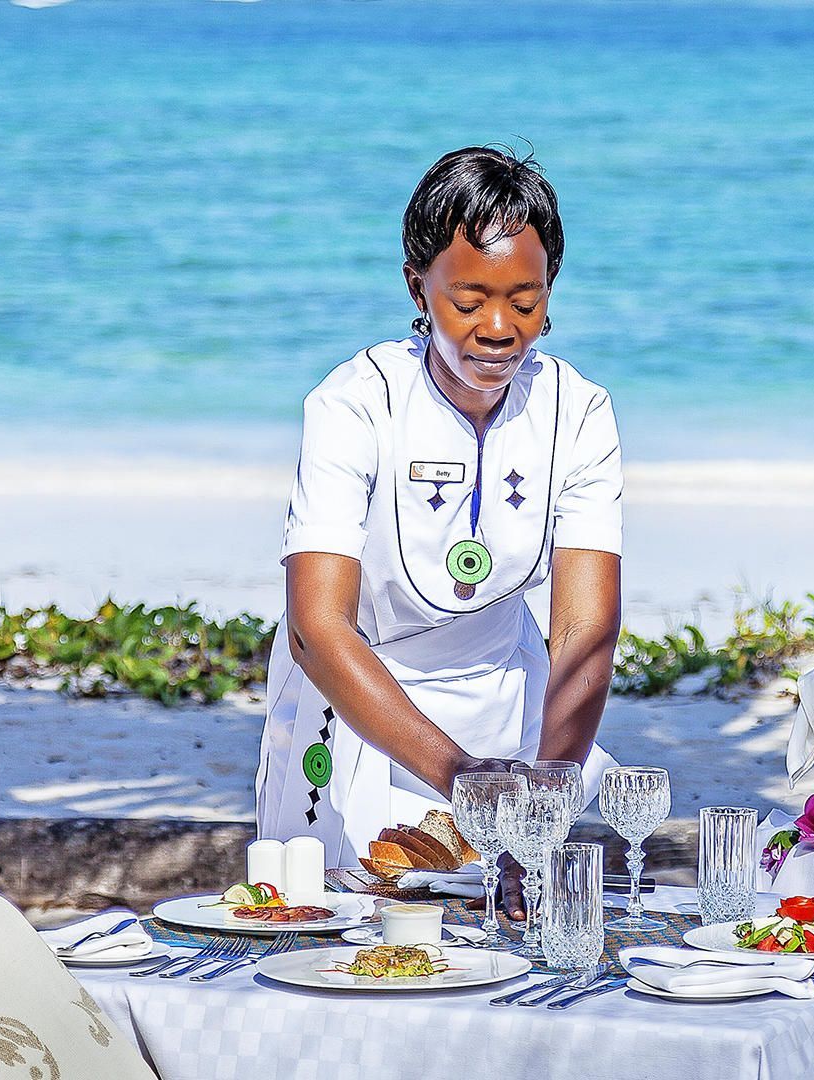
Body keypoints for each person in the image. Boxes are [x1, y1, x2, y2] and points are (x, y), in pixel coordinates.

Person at [256, 147, 622, 917]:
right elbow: (317, 629)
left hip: (510, 713)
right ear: (416, 286)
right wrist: (459, 776)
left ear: (551, 294)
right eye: (468, 300)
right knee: (356, 938)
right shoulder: (354, 404)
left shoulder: (579, 412)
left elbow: (586, 625)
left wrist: (545, 797)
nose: (498, 328)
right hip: (360, 708)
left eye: (524, 302)